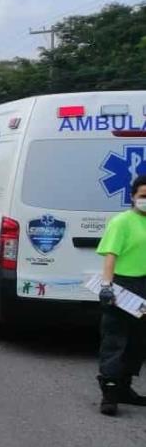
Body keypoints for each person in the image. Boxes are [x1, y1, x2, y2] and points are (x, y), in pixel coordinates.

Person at [95, 174, 146, 415]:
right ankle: (110, 393)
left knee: (138, 342)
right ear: (133, 197)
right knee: (115, 340)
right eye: (143, 196)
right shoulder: (121, 222)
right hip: (123, 286)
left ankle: (125, 388)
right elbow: (110, 256)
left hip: (144, 288)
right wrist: (107, 286)